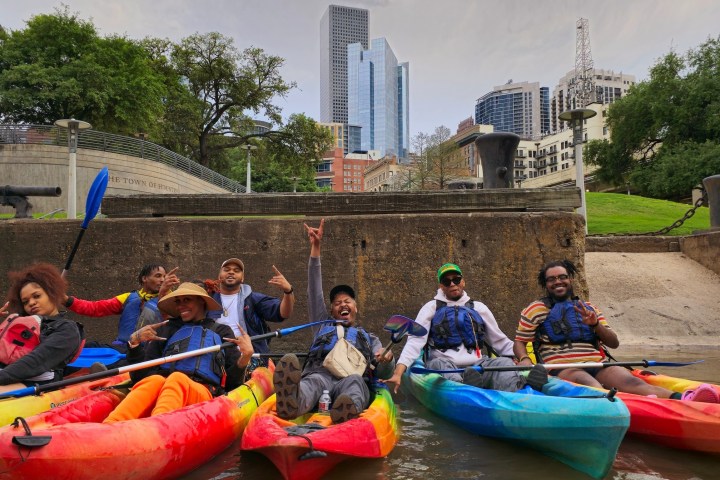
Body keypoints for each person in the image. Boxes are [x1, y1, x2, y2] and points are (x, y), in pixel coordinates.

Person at [513, 259, 719, 403]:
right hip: (562, 367)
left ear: (570, 280)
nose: (558, 281)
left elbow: (613, 343)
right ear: (546, 284)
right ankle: (612, 405)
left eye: (562, 277)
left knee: (630, 381)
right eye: (551, 279)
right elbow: (520, 341)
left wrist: (595, 325)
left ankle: (685, 399)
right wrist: (524, 359)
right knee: (588, 383)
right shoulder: (536, 309)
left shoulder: (588, 308)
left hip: (597, 363)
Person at [273, 219, 395, 423]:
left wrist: (387, 358)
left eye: (347, 301)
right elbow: (314, 289)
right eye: (337, 303)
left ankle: (347, 409)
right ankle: (293, 401)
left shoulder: (369, 338)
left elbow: (382, 371)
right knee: (310, 383)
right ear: (331, 310)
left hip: (350, 379)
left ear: (355, 308)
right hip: (320, 374)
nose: (342, 305)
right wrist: (316, 248)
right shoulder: (322, 323)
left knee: (355, 383)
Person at [384, 262, 548, 395]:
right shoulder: (431, 308)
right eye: (447, 281)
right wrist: (399, 372)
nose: (452, 284)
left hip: (477, 365)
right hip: (447, 366)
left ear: (463, 281)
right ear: (441, 286)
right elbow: (415, 342)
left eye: (456, 279)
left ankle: (521, 387)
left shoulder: (479, 307)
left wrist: (524, 360)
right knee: (439, 364)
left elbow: (499, 341)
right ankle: (465, 389)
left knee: (503, 362)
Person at [103, 282, 254, 422]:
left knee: (177, 378)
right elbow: (140, 377)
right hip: (164, 387)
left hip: (203, 393)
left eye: (187, 300)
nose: (181, 306)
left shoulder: (222, 331)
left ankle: (156, 427)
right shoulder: (167, 329)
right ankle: (111, 425)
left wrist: (245, 358)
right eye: (178, 301)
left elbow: (233, 385)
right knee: (154, 380)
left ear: (201, 301)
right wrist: (134, 344)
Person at [0, 263, 84, 393]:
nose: (31, 303)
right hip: (7, 374)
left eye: (37, 296)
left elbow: (37, 361)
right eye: (25, 302)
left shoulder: (67, 329)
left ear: (51, 293)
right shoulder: (22, 324)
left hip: (37, 381)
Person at [63, 264, 178, 353]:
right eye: (158, 276)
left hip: (146, 353)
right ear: (144, 278)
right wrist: (66, 300)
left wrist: (163, 294)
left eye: (164, 277)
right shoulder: (128, 297)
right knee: (85, 348)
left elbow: (173, 317)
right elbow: (95, 308)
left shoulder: (172, 299)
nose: (162, 280)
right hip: (121, 348)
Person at [207, 258, 295, 356]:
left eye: (236, 271)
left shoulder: (252, 299)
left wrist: (288, 291)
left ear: (242, 278)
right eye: (226, 270)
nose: (231, 272)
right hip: (215, 355)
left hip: (250, 355)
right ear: (219, 276)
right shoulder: (207, 299)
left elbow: (283, 313)